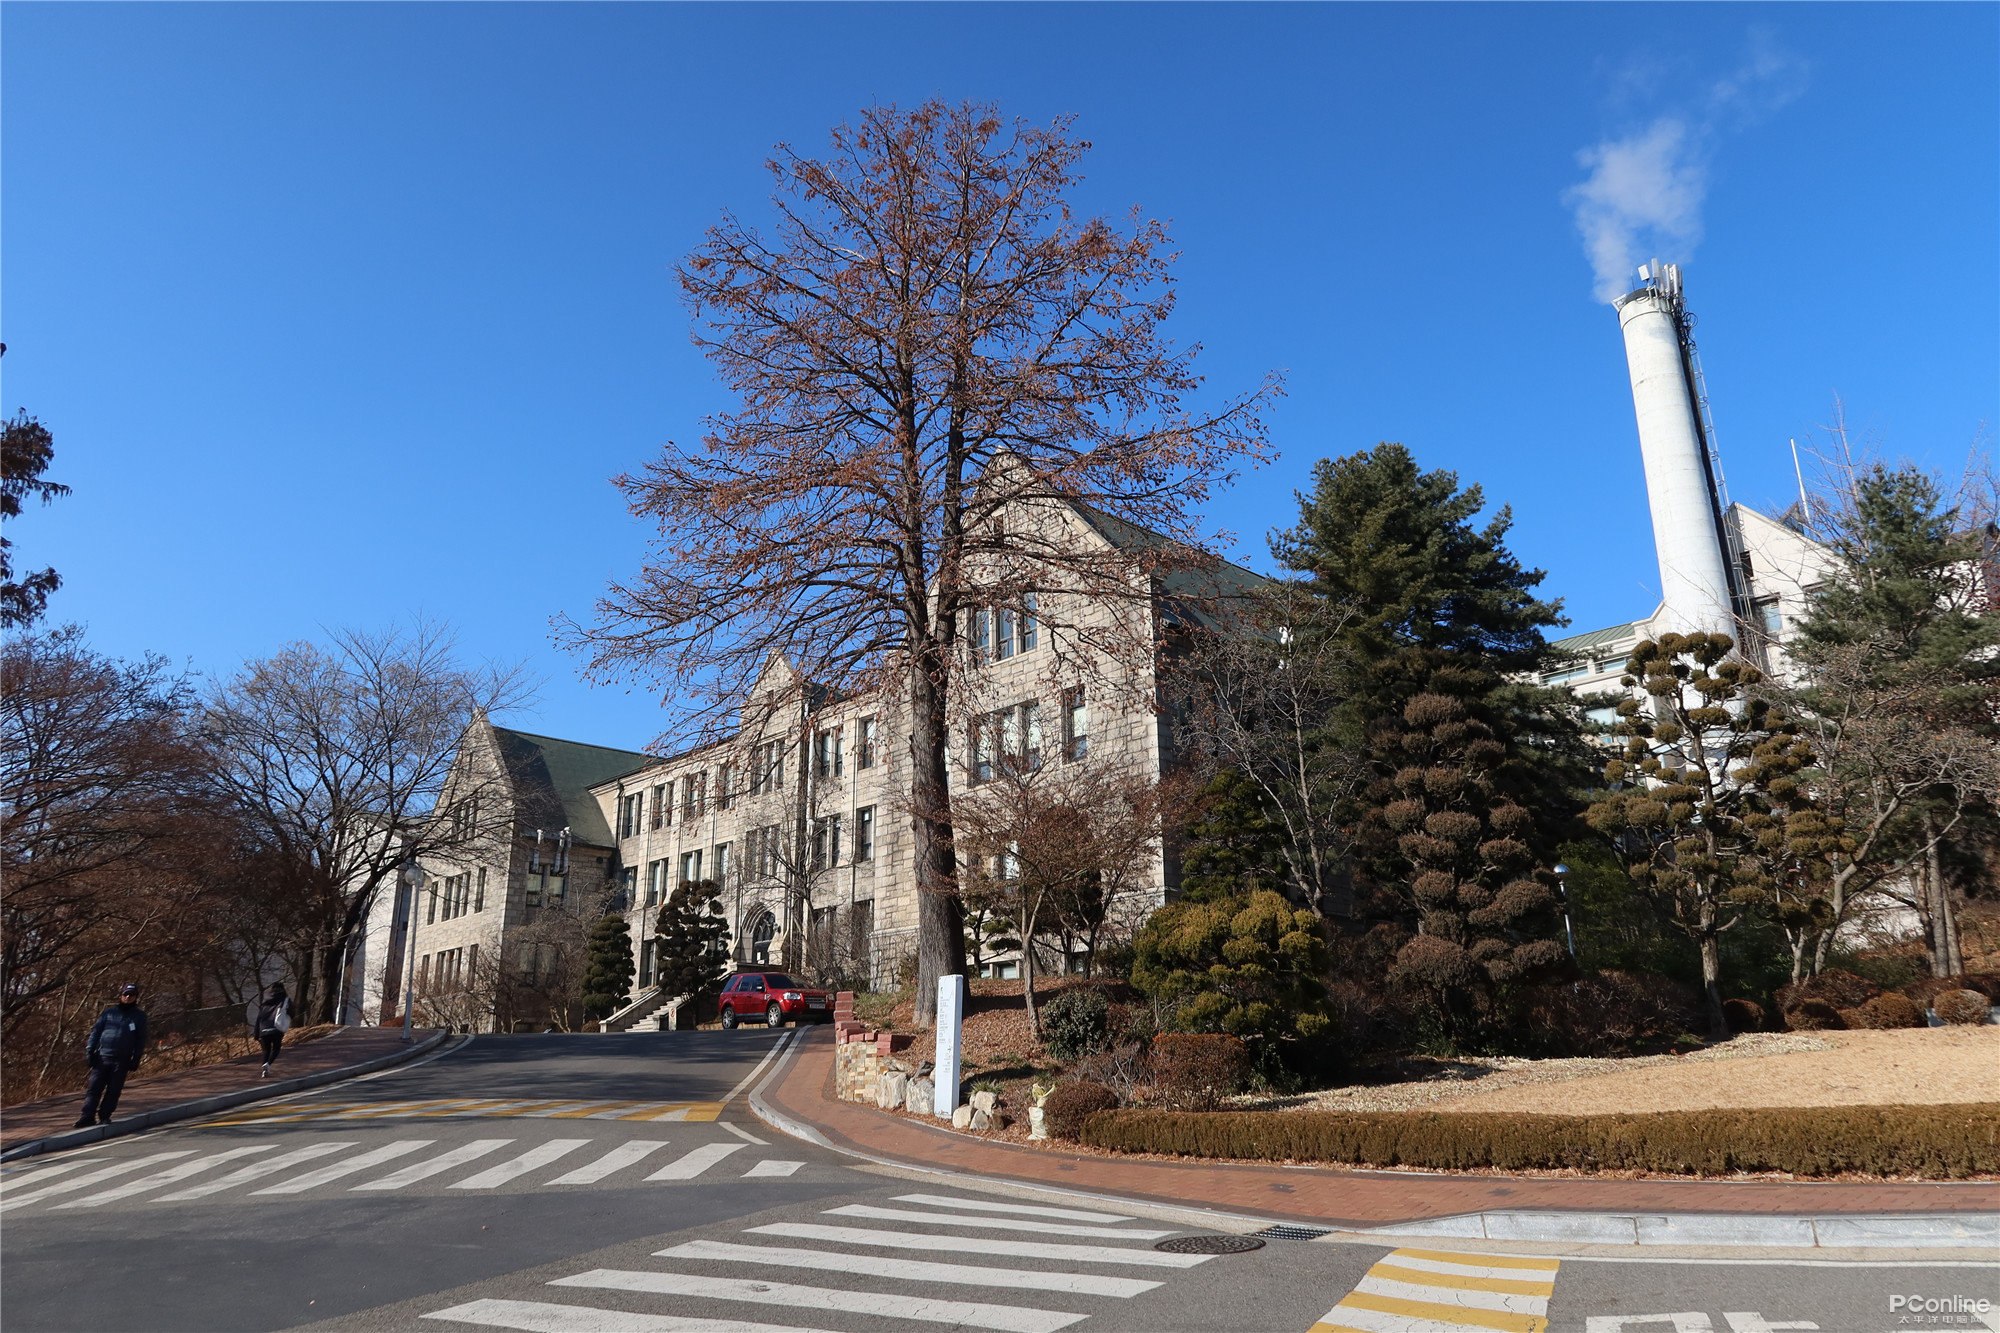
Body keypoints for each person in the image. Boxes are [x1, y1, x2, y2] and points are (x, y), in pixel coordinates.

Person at [76, 984, 147, 1128]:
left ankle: (105, 1115)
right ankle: (87, 1116)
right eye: (126, 994)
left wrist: (136, 1057)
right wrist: (90, 1050)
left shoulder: (139, 1016)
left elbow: (141, 1038)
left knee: (113, 1090)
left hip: (122, 1059)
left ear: (135, 997)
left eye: (131, 995)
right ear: (121, 996)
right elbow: (96, 1032)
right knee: (94, 1088)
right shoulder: (109, 1013)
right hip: (103, 1056)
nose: (128, 997)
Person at [249, 983, 294, 1077]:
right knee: (276, 1048)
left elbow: (259, 1018)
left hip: (263, 1029)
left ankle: (264, 1070)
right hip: (276, 1028)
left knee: (266, 1050)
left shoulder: (265, 1002)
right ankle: (268, 1064)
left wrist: (256, 1034)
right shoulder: (285, 1000)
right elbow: (292, 1012)